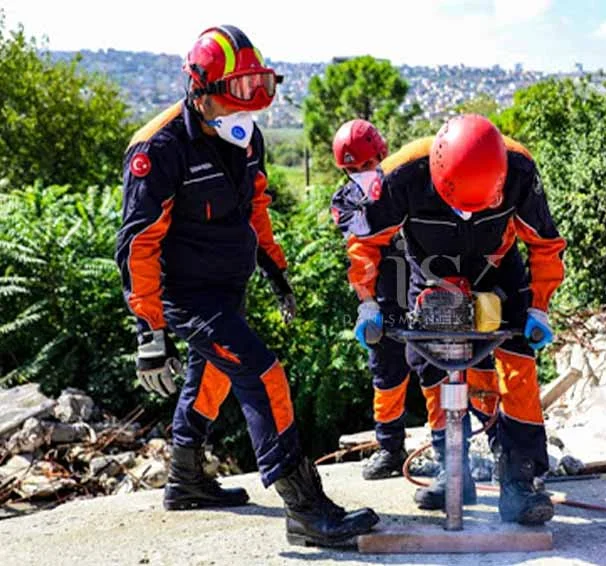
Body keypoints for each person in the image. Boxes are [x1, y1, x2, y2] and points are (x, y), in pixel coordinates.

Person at [114, 24, 378, 547]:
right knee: (264, 375)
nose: (247, 105)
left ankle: (185, 480)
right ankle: (304, 507)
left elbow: (254, 210)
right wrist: (150, 331)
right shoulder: (158, 148)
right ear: (200, 88)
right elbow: (137, 245)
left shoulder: (245, 137)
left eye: (254, 88)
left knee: (212, 374)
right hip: (184, 296)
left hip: (227, 286)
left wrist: (276, 271)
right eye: (235, 92)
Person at [346, 114, 565, 525]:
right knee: (431, 365)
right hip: (430, 271)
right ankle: (453, 469)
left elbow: (545, 243)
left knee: (517, 363)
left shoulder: (518, 169)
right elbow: (366, 241)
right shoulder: (401, 175)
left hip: (496, 269)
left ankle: (519, 477)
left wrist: (538, 306)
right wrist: (368, 302)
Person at [329, 119, 411, 480]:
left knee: (444, 368)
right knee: (386, 372)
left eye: (366, 164)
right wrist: (367, 303)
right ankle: (391, 448)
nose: (362, 173)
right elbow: (359, 254)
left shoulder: (407, 183)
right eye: (352, 169)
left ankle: (454, 447)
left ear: (382, 154)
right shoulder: (346, 202)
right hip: (385, 294)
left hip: (426, 285)